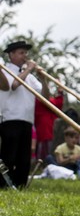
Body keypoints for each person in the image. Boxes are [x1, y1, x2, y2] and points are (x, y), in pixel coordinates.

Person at [1, 40, 50, 188]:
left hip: (27, 120)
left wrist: (43, 79)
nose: (25, 56)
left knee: (24, 158)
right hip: (10, 118)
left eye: (25, 53)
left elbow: (45, 97)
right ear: (11, 55)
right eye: (21, 52)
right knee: (9, 155)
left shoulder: (28, 76)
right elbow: (14, 85)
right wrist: (29, 69)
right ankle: (4, 185)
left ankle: (20, 186)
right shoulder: (5, 70)